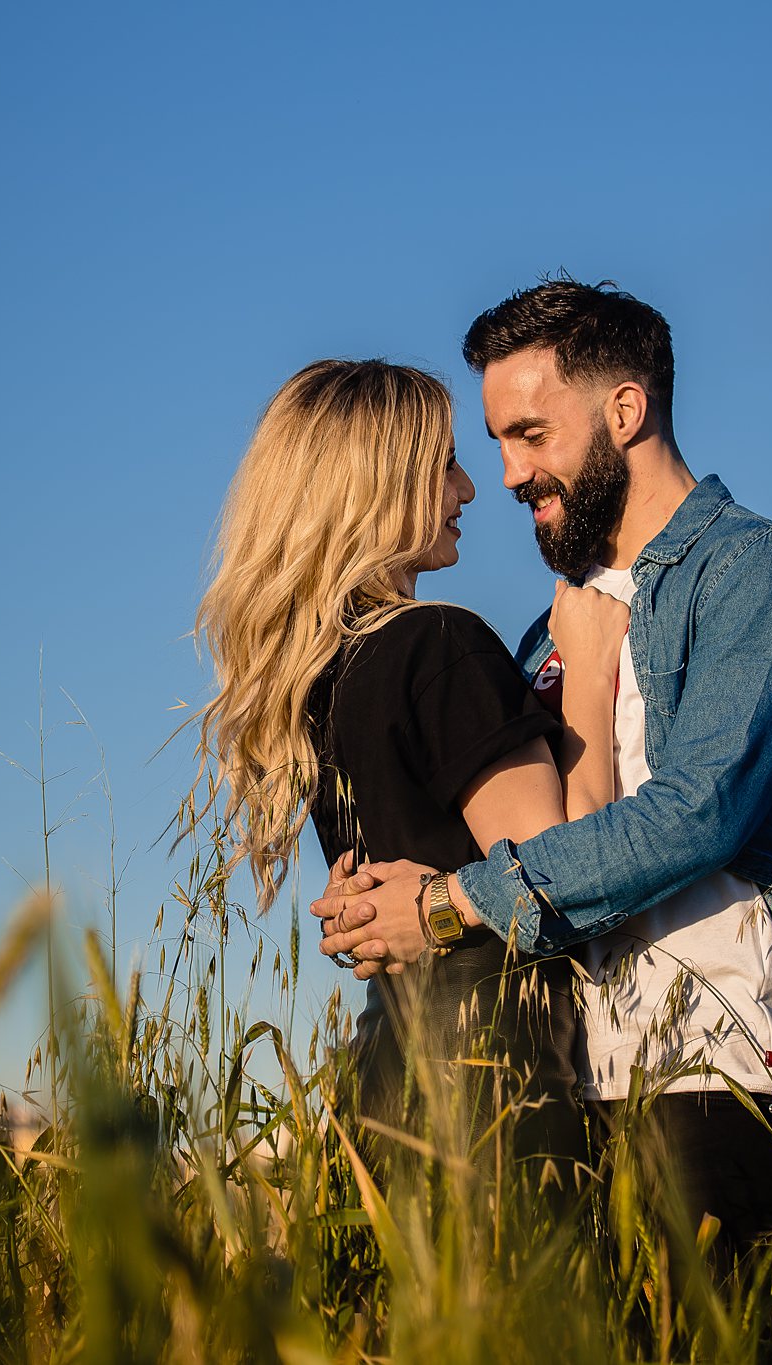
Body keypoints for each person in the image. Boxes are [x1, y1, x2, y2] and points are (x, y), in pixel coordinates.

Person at [314, 279, 772, 1275]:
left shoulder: (753, 570)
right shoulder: (550, 630)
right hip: (571, 1089)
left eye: (530, 434)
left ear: (625, 410)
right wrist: (377, 898)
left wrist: (450, 904)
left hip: (719, 1077)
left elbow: (696, 814)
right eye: (496, 442)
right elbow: (536, 840)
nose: (504, 474)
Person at [194, 358, 625, 1196]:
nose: (470, 488)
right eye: (446, 464)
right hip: (498, 1091)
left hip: (385, 1083)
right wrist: (595, 672)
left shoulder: (316, 680)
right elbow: (562, 876)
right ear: (381, 486)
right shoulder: (438, 643)